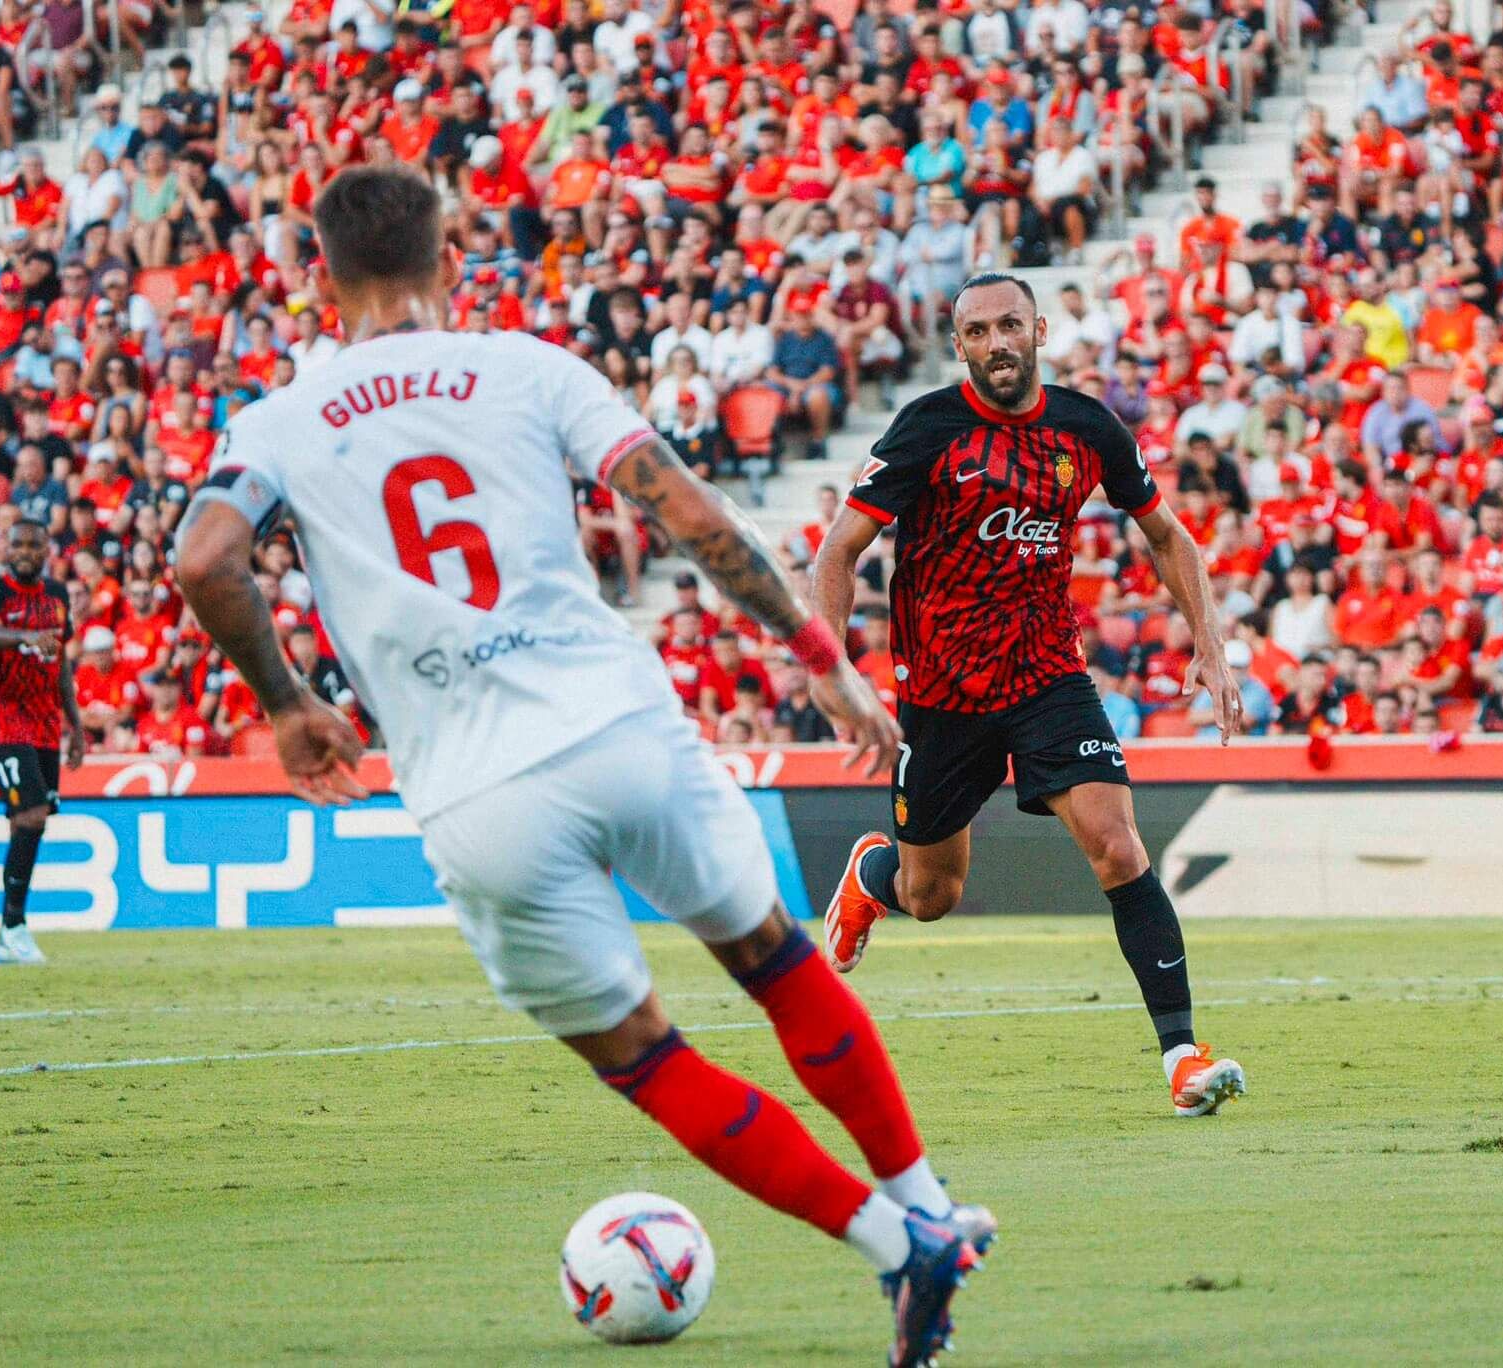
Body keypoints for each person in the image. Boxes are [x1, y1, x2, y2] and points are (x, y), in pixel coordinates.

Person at [171, 168, 992, 1368]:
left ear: (318, 281)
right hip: (619, 727)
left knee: (646, 1055)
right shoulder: (526, 367)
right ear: (452, 263)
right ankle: (925, 1203)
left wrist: (289, 705)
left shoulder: (278, 424)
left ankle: (893, 1245)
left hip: (475, 791)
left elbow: (203, 561)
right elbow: (691, 516)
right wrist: (819, 658)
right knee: (774, 963)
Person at [811, 272, 1247, 1118]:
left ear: (1039, 331)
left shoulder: (1087, 428)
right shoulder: (927, 429)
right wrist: (830, 667)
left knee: (1118, 846)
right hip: (942, 693)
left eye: (1010, 325)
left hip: (1049, 675)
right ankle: (873, 873)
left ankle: (1183, 1058)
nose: (997, 343)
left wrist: (1211, 645)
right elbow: (839, 552)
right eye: (978, 332)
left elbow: (1167, 535)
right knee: (932, 896)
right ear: (959, 345)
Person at [0, 519, 86, 966]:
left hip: (44, 723)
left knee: (30, 823)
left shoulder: (56, 595)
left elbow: (61, 665)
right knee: (31, 814)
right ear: (7, 548)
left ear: (45, 550)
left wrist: (75, 725)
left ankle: (9, 931)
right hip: (1, 719)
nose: (23, 551)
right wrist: (25, 636)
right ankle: (13, 928)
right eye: (16, 544)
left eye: (32, 545)